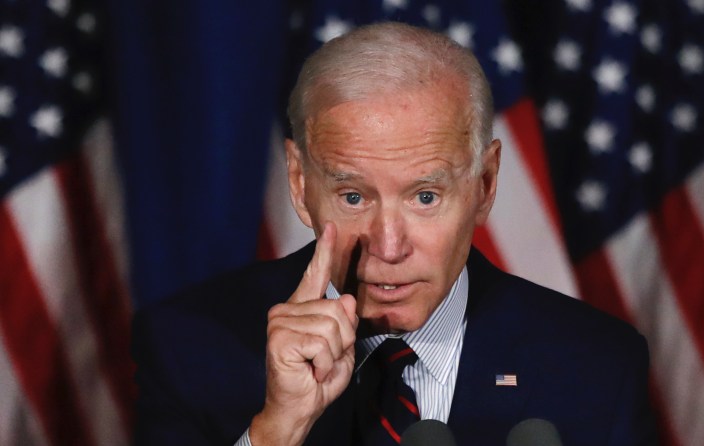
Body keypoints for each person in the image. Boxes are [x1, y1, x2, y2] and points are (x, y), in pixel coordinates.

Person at [132, 22, 657, 446]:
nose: (387, 247)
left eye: (425, 197)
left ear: (485, 183)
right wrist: (276, 432)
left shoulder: (596, 368)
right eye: (353, 197)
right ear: (299, 182)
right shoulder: (190, 347)